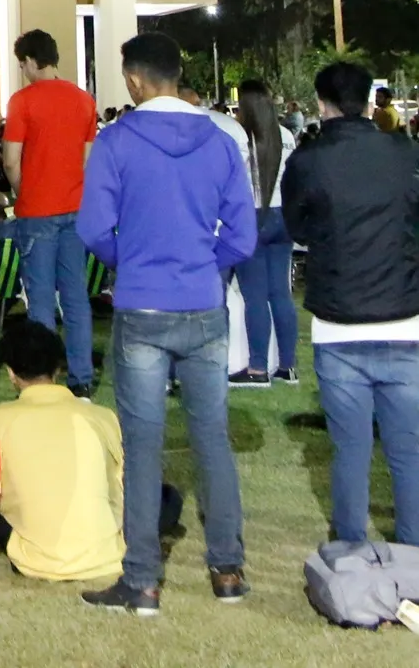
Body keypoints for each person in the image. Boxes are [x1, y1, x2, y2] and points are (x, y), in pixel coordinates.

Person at [76, 31, 256, 615]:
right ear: (178, 73)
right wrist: (202, 264)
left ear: (133, 79)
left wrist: (136, 262)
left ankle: (143, 581)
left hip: (144, 306)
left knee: (143, 443)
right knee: (212, 440)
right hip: (203, 303)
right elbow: (244, 235)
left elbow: (94, 229)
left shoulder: (116, 142)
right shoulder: (220, 139)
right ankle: (227, 570)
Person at [281, 60, 419, 546]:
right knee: (407, 452)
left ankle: (351, 551)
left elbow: (296, 227)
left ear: (322, 103)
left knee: (352, 450)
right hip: (403, 318)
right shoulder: (403, 153)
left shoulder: (310, 160)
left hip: (340, 322)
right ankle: (413, 552)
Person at [0, 319, 132, 582]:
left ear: (10, 373)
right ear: (58, 368)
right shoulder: (101, 416)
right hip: (106, 554)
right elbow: (122, 484)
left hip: (33, 557)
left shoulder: (0, 418)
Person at [2, 30, 99, 397]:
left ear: (29, 61)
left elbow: (11, 160)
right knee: (75, 296)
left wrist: (24, 191)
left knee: (40, 299)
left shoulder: (22, 101)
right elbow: (87, 161)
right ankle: (82, 377)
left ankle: (41, 379)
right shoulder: (84, 100)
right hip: (75, 208)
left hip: (37, 209)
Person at [229, 79, 300, 388]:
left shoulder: (241, 138)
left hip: (252, 217)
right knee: (280, 293)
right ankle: (288, 366)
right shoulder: (286, 136)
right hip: (283, 216)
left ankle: (258, 369)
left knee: (254, 295)